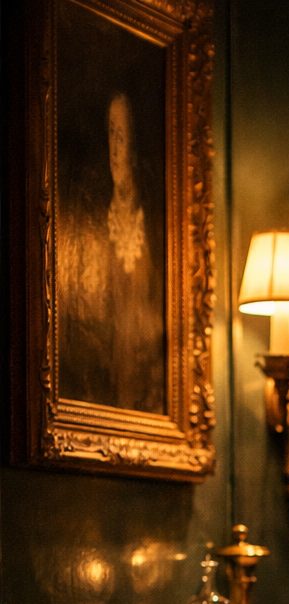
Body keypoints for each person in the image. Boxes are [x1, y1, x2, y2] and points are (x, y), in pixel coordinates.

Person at [59, 89, 164, 413]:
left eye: (124, 135)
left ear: (136, 147)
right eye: (112, 134)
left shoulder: (160, 227)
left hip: (149, 397)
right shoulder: (89, 219)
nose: (116, 149)